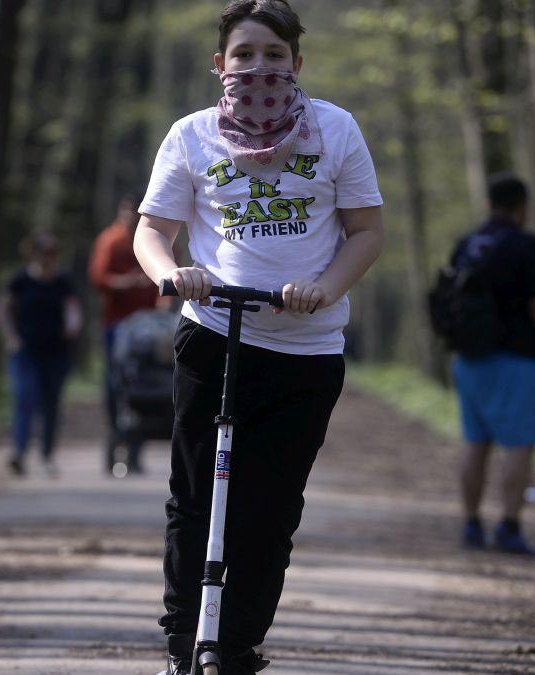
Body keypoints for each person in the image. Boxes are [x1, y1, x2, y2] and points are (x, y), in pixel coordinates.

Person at [133, 2, 385, 672]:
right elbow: (152, 231)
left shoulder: (335, 131)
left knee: (268, 511)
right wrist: (172, 274)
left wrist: (325, 289)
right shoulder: (190, 137)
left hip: (305, 350)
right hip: (214, 335)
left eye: (274, 54)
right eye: (244, 54)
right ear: (221, 64)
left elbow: (366, 231)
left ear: (297, 63)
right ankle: (185, 640)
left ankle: (236, 642)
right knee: (195, 499)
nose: (259, 67)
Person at [449, 173, 535, 557]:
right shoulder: (525, 245)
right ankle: (509, 526)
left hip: (467, 358)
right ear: (523, 205)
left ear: (489, 203)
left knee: (476, 442)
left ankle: (471, 525)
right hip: (514, 358)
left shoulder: (467, 245)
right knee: (519, 444)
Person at [0, 230, 83, 477]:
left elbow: (73, 308)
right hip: (25, 352)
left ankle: (46, 456)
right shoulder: (20, 280)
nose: (49, 257)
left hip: (55, 353)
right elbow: (2, 308)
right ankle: (19, 453)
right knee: (25, 398)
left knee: (51, 404)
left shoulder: (62, 281)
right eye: (45, 252)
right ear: (34, 253)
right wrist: (11, 337)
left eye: (53, 252)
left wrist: (72, 325)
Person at [89, 195, 161, 475]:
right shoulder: (111, 241)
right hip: (117, 327)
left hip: (148, 329)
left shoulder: (158, 234)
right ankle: (115, 438)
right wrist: (126, 283)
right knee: (114, 386)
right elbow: (98, 278)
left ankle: (136, 449)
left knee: (145, 386)